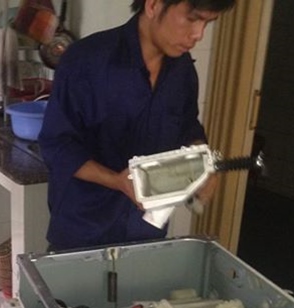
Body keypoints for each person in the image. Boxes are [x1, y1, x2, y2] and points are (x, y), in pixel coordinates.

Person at [38, 0, 236, 251]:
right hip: (83, 229)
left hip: (146, 230)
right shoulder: (86, 60)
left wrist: (202, 162)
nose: (198, 35)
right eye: (192, 19)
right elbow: (56, 145)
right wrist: (117, 180)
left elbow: (187, 127)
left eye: (207, 23)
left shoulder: (182, 70)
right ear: (153, 6)